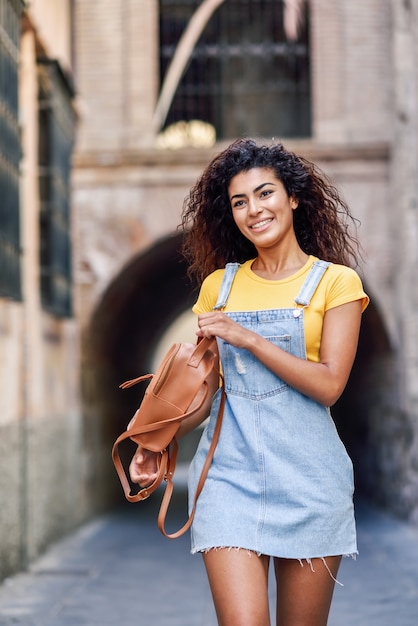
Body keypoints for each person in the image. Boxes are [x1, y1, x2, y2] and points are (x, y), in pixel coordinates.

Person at [129, 138, 369, 626]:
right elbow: (206, 390)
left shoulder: (336, 284)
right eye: (240, 201)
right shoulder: (220, 287)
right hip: (229, 478)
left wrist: (249, 338)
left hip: (310, 480)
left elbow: (328, 386)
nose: (253, 210)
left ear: (293, 198)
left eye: (265, 194)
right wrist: (156, 439)